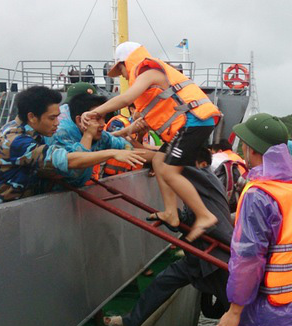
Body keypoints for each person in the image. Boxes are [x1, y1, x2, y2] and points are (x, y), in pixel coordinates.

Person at [82, 41, 222, 241]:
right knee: (159, 161)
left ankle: (204, 215)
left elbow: (124, 99)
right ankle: (171, 213)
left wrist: (94, 112)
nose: (121, 74)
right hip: (187, 124)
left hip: (193, 121)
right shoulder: (150, 81)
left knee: (170, 172)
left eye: (120, 68)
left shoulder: (148, 72)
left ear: (126, 62)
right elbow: (141, 123)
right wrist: (116, 134)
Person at [215, 113, 292, 326]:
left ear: (250, 148)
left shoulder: (258, 194)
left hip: (272, 315)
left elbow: (248, 259)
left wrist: (234, 310)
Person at [104, 147, 231, 326]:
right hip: (199, 256)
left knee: (236, 315)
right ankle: (131, 322)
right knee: (164, 281)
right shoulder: (194, 190)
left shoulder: (204, 177)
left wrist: (118, 152)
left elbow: (164, 158)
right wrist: (172, 217)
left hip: (216, 259)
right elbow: (187, 218)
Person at [0, 86, 145, 204]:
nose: (57, 123)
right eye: (52, 118)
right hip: (10, 213)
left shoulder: (33, 131)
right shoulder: (16, 140)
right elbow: (67, 161)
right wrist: (111, 153)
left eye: (58, 117)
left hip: (29, 207)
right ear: (32, 117)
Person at [44, 93, 135, 187]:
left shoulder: (100, 134)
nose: (103, 124)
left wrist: (151, 156)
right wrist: (88, 135)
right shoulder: (59, 134)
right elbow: (76, 169)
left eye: (104, 118)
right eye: (97, 118)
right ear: (79, 120)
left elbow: (127, 148)